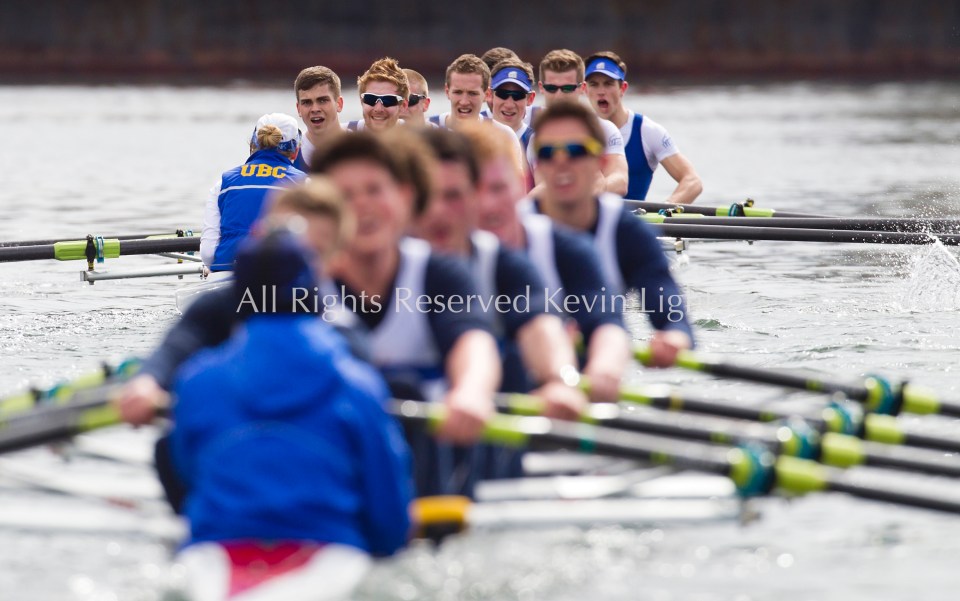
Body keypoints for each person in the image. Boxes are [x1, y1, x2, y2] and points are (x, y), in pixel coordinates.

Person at [171, 226, 412, 601]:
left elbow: (186, 475)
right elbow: (390, 522)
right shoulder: (357, 384)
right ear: (313, 292)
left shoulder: (197, 380)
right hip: (332, 548)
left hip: (215, 550)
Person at [119, 179, 365, 512]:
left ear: (338, 259)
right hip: (241, 446)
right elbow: (178, 347)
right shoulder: (222, 304)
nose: (292, 261)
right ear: (260, 236)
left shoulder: (345, 315)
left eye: (313, 253)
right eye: (286, 242)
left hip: (318, 456)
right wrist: (147, 383)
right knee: (167, 445)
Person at [311, 129, 502, 496]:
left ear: (404, 196)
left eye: (374, 190)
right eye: (346, 196)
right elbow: (199, 331)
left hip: (426, 471)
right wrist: (161, 379)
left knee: (406, 390)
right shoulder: (299, 279)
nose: (362, 206)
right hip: (330, 470)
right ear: (326, 211)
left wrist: (472, 392)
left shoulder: (439, 273)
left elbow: (474, 340)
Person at [413, 127, 587, 420]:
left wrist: (560, 379)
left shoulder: (510, 263)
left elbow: (535, 320)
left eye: (454, 196)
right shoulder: (377, 256)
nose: (441, 211)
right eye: (434, 196)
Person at [460, 122, 631, 403]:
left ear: (520, 189)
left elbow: (599, 321)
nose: (488, 204)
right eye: (475, 190)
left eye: (498, 188)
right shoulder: (431, 253)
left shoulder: (568, 250)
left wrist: (568, 376)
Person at [528, 101, 694, 380]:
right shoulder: (514, 232)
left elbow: (670, 310)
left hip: (600, 368)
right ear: (538, 164)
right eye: (548, 153)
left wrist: (674, 337)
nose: (561, 163)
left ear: (601, 161)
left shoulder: (629, 233)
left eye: (575, 151)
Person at [584, 51, 702, 204]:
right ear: (585, 90)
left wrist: (667, 209)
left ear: (623, 89)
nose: (601, 92)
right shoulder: (575, 130)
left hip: (634, 224)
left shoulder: (647, 131)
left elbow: (692, 181)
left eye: (608, 83)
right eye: (594, 84)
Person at [200, 113, 305, 272]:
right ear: (296, 151)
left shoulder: (223, 183)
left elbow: (208, 254)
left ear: (252, 146)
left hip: (227, 277)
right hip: (283, 281)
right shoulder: (306, 185)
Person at [525, 49, 629, 196]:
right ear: (541, 88)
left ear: (582, 88)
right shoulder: (537, 138)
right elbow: (544, 186)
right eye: (552, 88)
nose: (559, 96)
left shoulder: (606, 129)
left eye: (567, 88)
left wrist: (590, 187)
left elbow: (620, 182)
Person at [292, 65, 345, 170]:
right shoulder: (289, 159)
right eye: (307, 102)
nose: (315, 109)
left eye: (322, 100)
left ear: (339, 104)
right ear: (298, 109)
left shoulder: (365, 149)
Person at [487, 59, 537, 154]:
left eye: (518, 95)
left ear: (530, 98)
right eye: (502, 94)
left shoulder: (535, 144)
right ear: (489, 94)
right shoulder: (474, 139)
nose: (509, 105)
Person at [347, 57, 409, 132]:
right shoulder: (340, 138)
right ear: (362, 101)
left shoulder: (420, 139)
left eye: (388, 100)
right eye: (370, 99)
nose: (378, 109)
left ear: (403, 106)